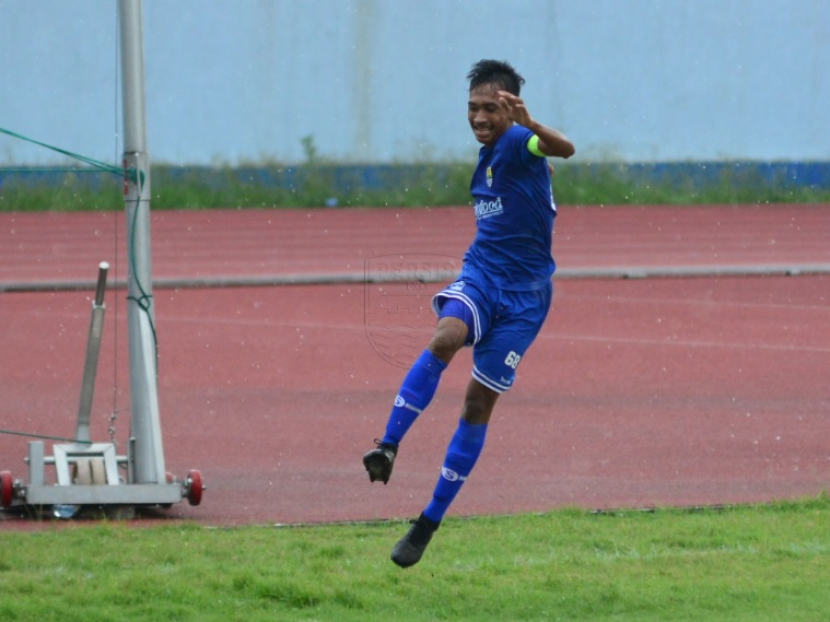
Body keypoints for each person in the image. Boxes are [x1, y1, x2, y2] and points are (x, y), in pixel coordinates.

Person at [363, 59, 575, 568]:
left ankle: (427, 523)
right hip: (482, 275)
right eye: (472, 108)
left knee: (477, 406)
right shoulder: (486, 158)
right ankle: (387, 445)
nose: (478, 117)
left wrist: (531, 123)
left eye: (488, 108)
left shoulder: (519, 143)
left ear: (509, 107)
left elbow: (563, 148)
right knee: (445, 337)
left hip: (525, 298)